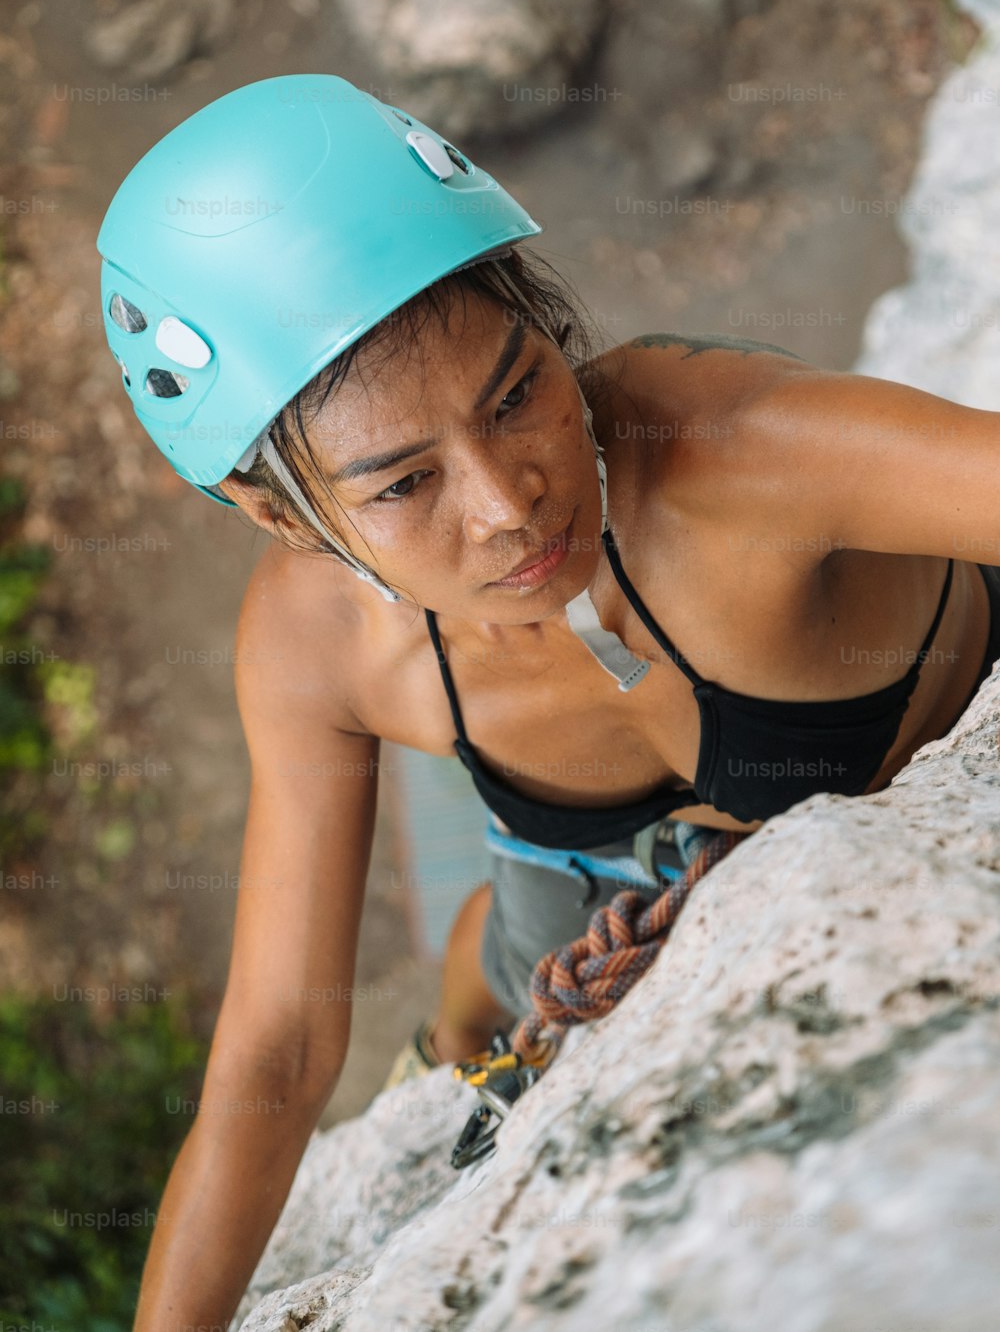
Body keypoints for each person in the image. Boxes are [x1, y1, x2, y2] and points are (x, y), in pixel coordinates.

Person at [98, 74, 1000, 1331]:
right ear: (278, 518)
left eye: (517, 393)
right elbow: (278, 1052)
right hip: (570, 863)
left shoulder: (740, 455)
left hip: (771, 811)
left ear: (545, 314)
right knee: (510, 957)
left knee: (526, 918)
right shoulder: (320, 647)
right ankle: (449, 1034)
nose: (510, 505)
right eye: (404, 483)